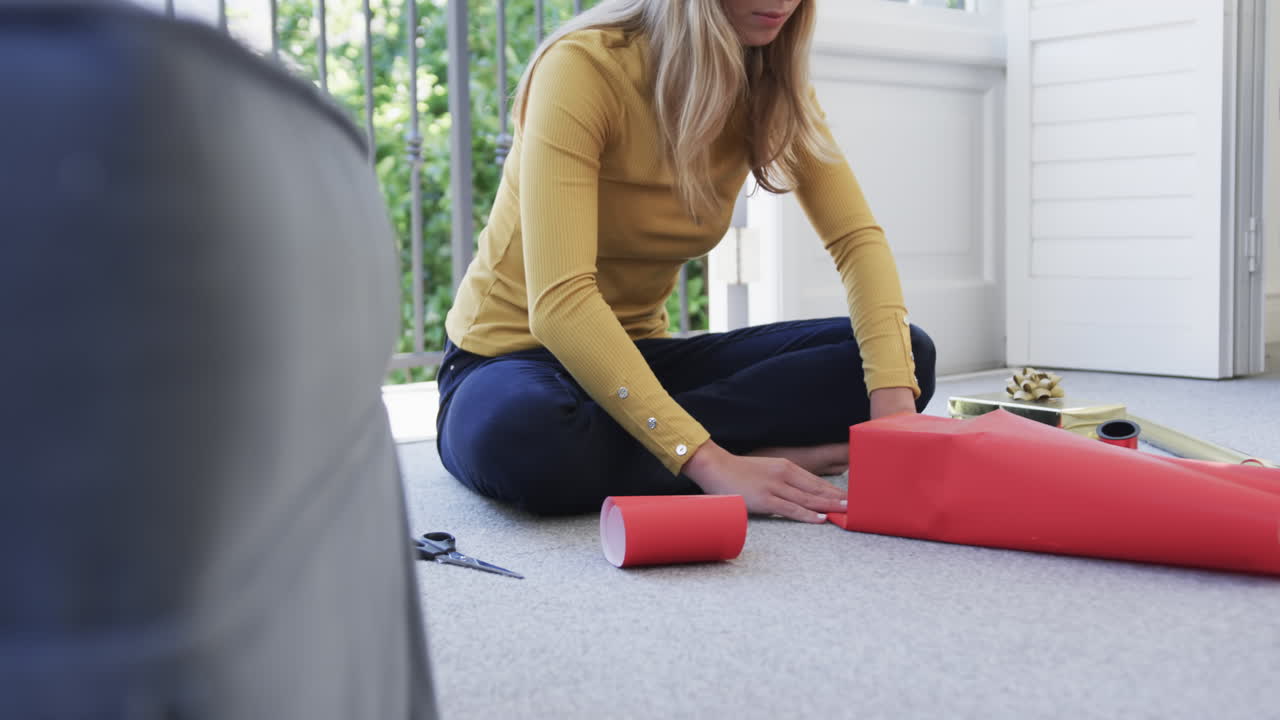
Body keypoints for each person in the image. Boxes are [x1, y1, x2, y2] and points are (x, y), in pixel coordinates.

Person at [436, 0, 936, 523]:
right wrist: (710, 463)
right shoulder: (583, 67)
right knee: (525, 437)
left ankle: (651, 451)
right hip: (507, 361)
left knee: (902, 359)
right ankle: (724, 461)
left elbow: (856, 240)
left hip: (638, 356)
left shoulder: (769, 81)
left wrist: (894, 419)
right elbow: (560, 304)